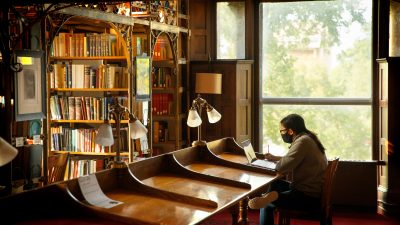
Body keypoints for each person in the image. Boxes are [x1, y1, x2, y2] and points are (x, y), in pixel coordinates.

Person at [248, 113, 328, 225]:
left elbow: (282, 167)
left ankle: (269, 199)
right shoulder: (308, 137)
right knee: (275, 185)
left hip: (307, 197)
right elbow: (297, 159)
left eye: (282, 131)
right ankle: (270, 197)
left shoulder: (302, 141)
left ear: (290, 131)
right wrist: (275, 158)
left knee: (266, 202)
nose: (281, 134)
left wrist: (272, 164)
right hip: (312, 190)